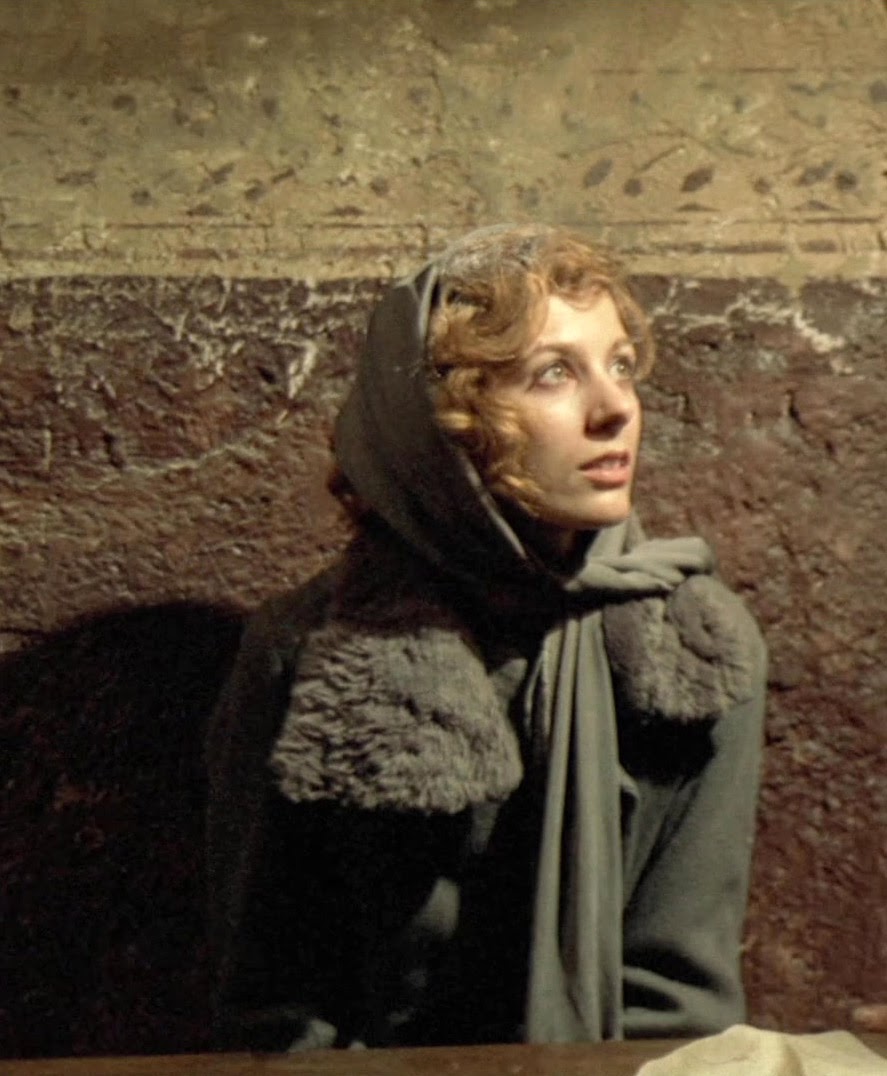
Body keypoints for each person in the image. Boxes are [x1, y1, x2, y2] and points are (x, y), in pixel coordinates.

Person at [205, 224, 767, 1051]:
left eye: (618, 364)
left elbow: (681, 999)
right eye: (553, 374)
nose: (615, 408)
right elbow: (275, 1007)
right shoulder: (311, 648)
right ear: (446, 423)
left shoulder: (689, 644)